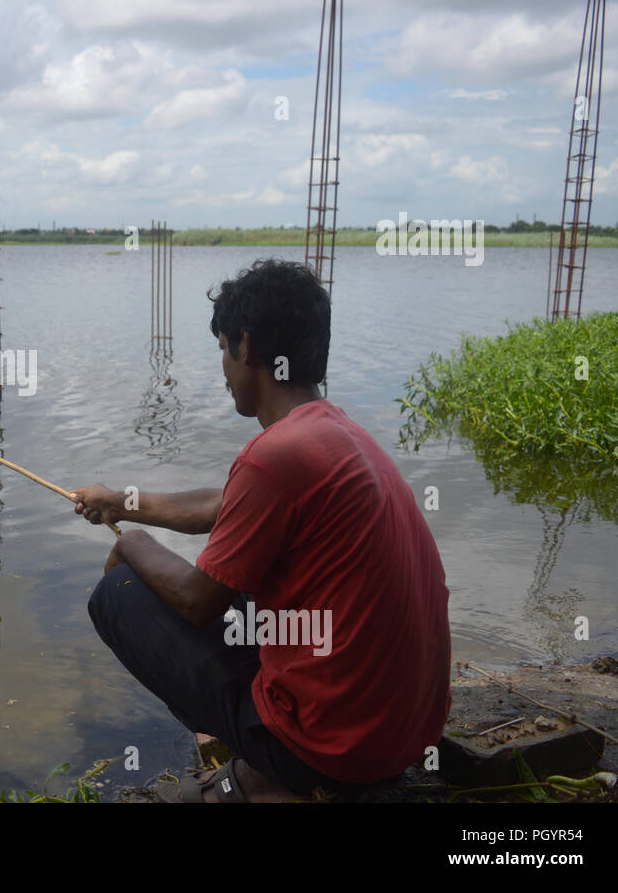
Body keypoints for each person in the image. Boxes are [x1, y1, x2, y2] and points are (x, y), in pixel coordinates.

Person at [72, 259, 451, 802]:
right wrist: (122, 504)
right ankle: (276, 748)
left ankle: (271, 772)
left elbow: (197, 600)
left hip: (336, 750)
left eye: (224, 349)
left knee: (117, 594)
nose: (224, 369)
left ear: (247, 347)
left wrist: (132, 544)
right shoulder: (336, 436)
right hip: (405, 735)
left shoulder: (274, 457)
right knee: (253, 588)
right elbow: (222, 506)